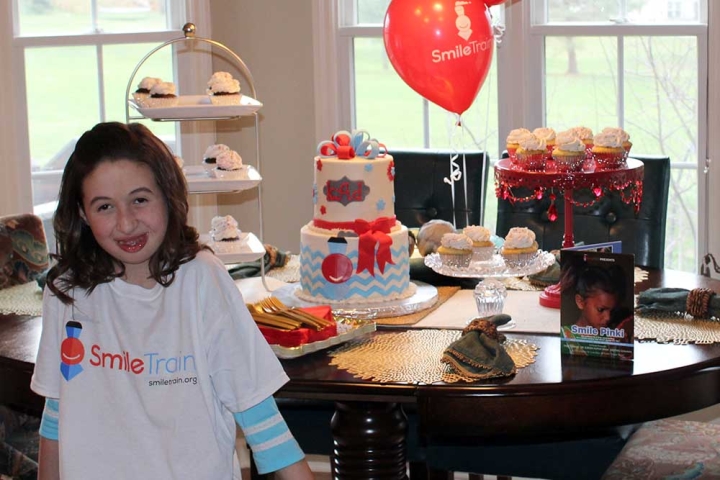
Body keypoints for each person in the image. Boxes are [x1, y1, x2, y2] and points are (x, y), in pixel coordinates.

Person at [31, 122, 314, 479]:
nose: (126, 222)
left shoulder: (202, 280)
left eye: (140, 200)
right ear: (83, 214)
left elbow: (258, 414)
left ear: (168, 196)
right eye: (104, 207)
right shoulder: (67, 292)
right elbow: (56, 415)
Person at [560, 260, 632, 357]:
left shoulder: (614, 341)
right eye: (601, 310)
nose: (608, 318)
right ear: (580, 302)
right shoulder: (562, 337)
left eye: (612, 311)